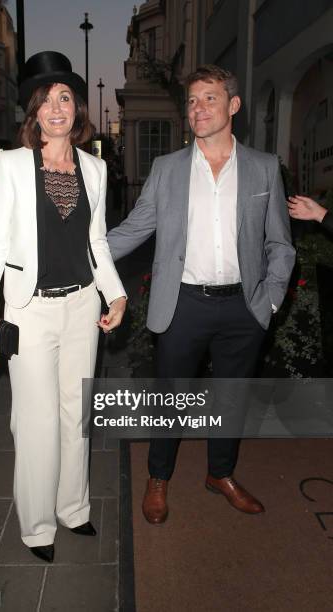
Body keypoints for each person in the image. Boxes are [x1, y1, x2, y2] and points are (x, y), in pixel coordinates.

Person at [107, 65, 295, 524]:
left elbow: (280, 243)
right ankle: (158, 478)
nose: (198, 108)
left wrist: (268, 302)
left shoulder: (264, 168)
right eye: (192, 101)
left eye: (209, 98)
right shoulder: (167, 169)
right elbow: (136, 227)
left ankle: (221, 474)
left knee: (231, 398)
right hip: (183, 304)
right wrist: (80, 255)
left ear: (233, 105)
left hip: (244, 306)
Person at [0, 51, 126, 562]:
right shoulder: (10, 165)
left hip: (81, 309)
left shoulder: (95, 169)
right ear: (33, 111)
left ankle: (73, 508)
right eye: (46, 100)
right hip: (29, 312)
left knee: (76, 415)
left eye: (65, 98)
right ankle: (37, 527)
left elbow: (96, 241)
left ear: (76, 109)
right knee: (35, 422)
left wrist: (115, 291)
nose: (57, 108)